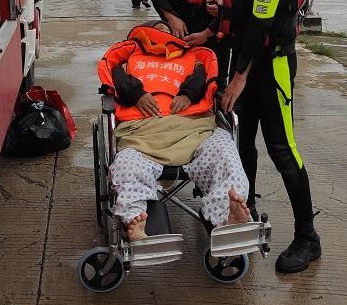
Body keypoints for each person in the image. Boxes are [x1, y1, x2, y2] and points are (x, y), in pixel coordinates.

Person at [193, 0, 320, 274]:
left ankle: (308, 238)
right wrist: (213, 24)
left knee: (283, 149)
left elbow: (264, 18)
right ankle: (241, 217)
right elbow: (243, 11)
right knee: (241, 144)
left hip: (271, 65)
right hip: (244, 60)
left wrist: (241, 77)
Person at [97, 20, 250, 240]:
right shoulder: (130, 57)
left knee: (224, 151)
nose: (162, 32)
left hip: (193, 129)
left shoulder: (192, 58)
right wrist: (136, 94)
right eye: (156, 28)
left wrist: (188, 94)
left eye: (166, 29)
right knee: (126, 166)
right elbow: (116, 76)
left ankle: (227, 214)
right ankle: (135, 220)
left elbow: (201, 78)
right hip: (143, 133)